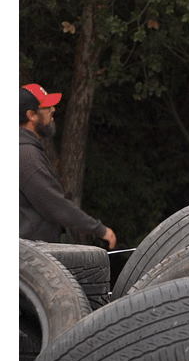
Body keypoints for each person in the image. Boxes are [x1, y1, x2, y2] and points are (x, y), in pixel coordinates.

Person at [19, 84, 117, 249]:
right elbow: (55, 204)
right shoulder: (26, 155)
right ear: (31, 115)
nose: (53, 110)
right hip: (28, 260)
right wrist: (99, 229)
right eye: (47, 107)